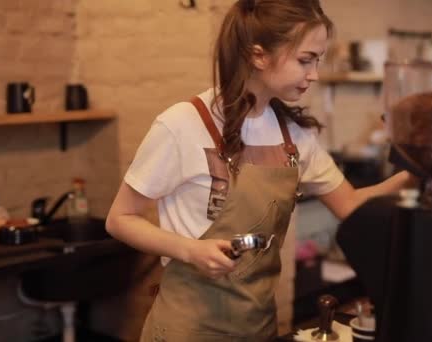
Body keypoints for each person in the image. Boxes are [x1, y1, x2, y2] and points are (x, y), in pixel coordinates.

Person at [106, 0, 412, 340]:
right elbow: (119, 219)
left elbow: (350, 204)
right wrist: (190, 250)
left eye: (317, 61)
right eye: (304, 60)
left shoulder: (295, 136)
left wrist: (414, 174)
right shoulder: (182, 125)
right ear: (258, 55)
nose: (314, 74)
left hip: (259, 328)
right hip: (188, 329)